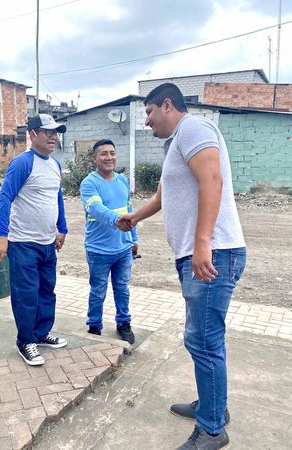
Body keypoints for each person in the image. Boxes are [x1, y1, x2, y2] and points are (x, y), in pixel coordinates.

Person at [118, 83, 246, 450]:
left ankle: (212, 430)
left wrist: (203, 242)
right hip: (198, 254)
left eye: (149, 112)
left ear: (167, 105)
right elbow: (164, 195)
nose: (146, 121)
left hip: (212, 252)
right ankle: (212, 406)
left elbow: (212, 180)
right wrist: (135, 217)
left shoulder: (193, 128)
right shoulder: (176, 143)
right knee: (204, 338)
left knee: (202, 340)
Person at [0, 114, 69, 366]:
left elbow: (57, 197)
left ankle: (41, 333)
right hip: (23, 242)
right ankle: (26, 341)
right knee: (26, 294)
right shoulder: (23, 163)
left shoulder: (55, 164)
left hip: (47, 243)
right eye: (48, 132)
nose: (54, 137)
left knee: (47, 291)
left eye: (56, 133)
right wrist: (2, 235)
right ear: (33, 134)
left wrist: (62, 228)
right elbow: (5, 197)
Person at [80, 139, 138, 344]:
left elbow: (129, 210)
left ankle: (124, 323)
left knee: (122, 288)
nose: (109, 157)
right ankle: (94, 326)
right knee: (98, 291)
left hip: (123, 248)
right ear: (95, 158)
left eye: (112, 153)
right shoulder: (89, 183)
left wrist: (134, 238)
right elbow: (96, 208)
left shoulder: (122, 181)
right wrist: (117, 220)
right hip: (98, 250)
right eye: (103, 153)